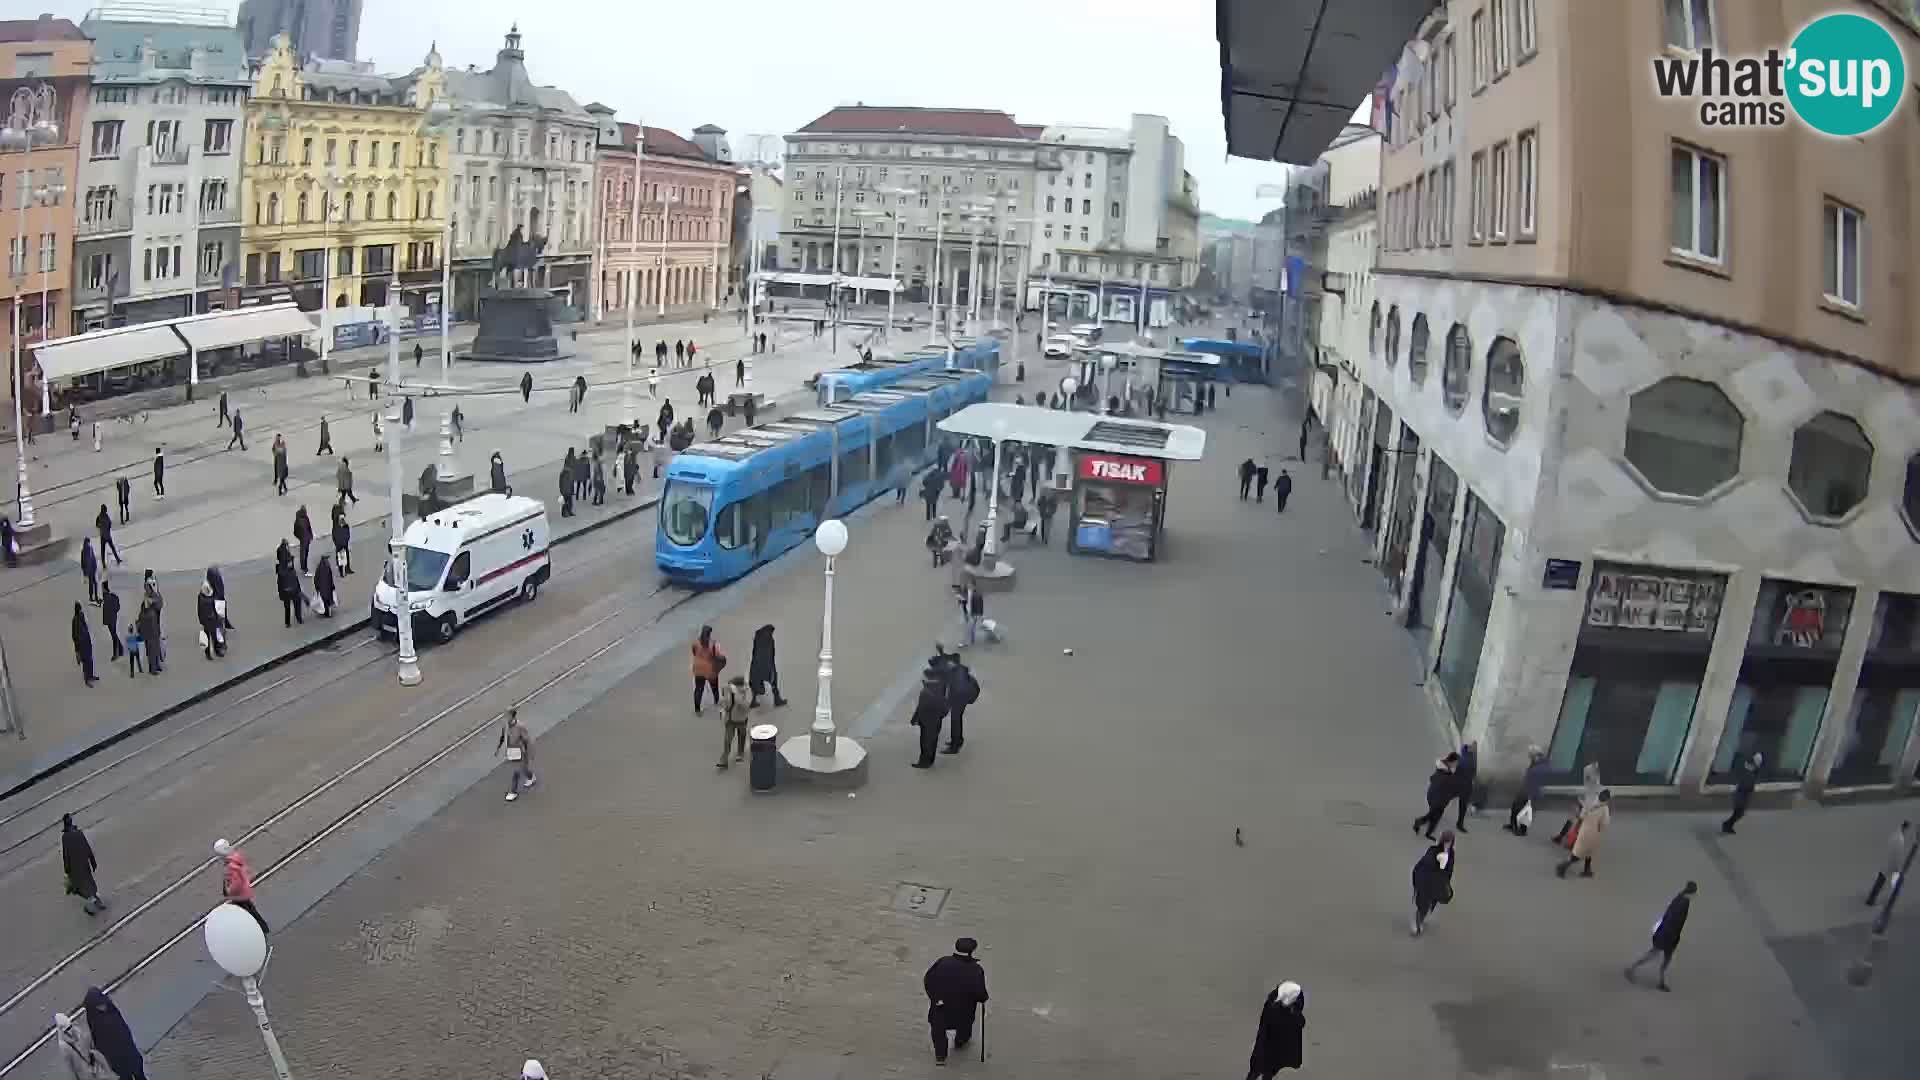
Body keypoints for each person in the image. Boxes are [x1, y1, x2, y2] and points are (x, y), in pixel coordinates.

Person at [922, 937, 989, 1065]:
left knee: (938, 1031)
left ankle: (940, 1056)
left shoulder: (942, 962)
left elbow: (928, 980)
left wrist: (935, 998)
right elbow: (979, 992)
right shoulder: (976, 969)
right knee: (964, 1027)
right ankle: (960, 1042)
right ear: (971, 951)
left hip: (940, 1007)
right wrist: (983, 998)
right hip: (964, 1010)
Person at [1625, 881, 1696, 992]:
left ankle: (1659, 980)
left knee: (1662, 956)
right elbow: (1674, 919)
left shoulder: (1680, 898)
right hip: (1668, 935)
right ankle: (1633, 969)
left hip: (1669, 934)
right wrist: (1669, 935)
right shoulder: (1683, 902)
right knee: (1656, 955)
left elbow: (1670, 916)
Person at [80, 987, 146, 1080]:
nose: (102, 1006)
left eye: (101, 1003)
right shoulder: (95, 1019)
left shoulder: (108, 1009)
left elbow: (122, 1026)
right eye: (98, 1005)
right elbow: (98, 1040)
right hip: (116, 1057)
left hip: (127, 1050)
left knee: (138, 1072)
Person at [1244, 981, 1306, 1078]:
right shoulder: (1275, 1007)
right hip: (1268, 1046)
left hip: (1272, 1048)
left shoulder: (1277, 1004)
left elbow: (1299, 1022)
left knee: (1263, 1071)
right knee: (1258, 1070)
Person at [212, 839, 268, 934]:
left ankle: (259, 928)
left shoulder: (231, 867)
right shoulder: (235, 858)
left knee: (247, 911)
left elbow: (236, 884)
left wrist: (229, 891)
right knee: (250, 909)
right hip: (244, 891)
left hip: (239, 895)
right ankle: (262, 927)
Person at [1411, 830, 1457, 936]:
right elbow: (1426, 864)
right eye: (1446, 842)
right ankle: (1417, 925)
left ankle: (1420, 921)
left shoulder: (1451, 853)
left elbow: (1449, 870)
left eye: (1449, 842)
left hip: (1437, 885)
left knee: (1427, 905)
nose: (1448, 844)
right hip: (1427, 884)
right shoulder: (1434, 851)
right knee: (1422, 906)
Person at [1557, 789, 1611, 878]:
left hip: (1584, 831)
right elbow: (1604, 824)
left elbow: (1581, 816)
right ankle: (1562, 867)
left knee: (1587, 852)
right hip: (1593, 834)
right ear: (1607, 799)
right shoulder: (1605, 809)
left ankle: (1587, 870)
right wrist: (1600, 829)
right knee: (1578, 854)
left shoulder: (1590, 802)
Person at [62, 813, 106, 916]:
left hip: (75, 868)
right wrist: (92, 861)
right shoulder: (78, 833)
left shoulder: (65, 837)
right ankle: (97, 902)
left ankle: (91, 906)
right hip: (84, 864)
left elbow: (66, 854)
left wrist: (67, 869)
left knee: (81, 888)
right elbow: (87, 847)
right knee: (89, 884)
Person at [54, 1009, 114, 1080]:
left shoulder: (78, 1031)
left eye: (70, 1027)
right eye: (66, 1030)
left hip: (94, 1072)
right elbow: (70, 1070)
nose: (70, 1031)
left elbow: (91, 1048)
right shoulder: (64, 1046)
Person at [909, 666, 950, 769]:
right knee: (933, 741)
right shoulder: (940, 688)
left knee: (925, 743)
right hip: (936, 721)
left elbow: (920, 708)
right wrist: (940, 716)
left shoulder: (925, 692)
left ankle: (924, 763)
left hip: (926, 722)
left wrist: (915, 719)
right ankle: (930, 760)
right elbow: (945, 707)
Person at [1553, 762, 1602, 845]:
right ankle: (1564, 838)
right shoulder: (1588, 768)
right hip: (1585, 798)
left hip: (1590, 801)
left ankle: (1570, 841)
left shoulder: (1593, 770)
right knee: (1573, 818)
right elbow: (1586, 784)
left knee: (1579, 820)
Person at [1412, 753, 1459, 839]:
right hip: (1437, 797)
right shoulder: (1444, 772)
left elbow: (1434, 780)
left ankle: (1428, 833)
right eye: (1456, 762)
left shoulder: (1445, 769)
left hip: (1439, 797)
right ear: (1452, 761)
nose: (1456, 764)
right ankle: (1418, 823)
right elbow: (1441, 784)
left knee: (1436, 816)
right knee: (1432, 815)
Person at [1867, 821, 1911, 906]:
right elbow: (1897, 854)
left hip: (1886, 863)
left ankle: (1871, 899)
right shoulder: (1900, 839)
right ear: (1905, 828)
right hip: (1890, 865)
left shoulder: (1894, 835)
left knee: (1880, 882)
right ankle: (1874, 900)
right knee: (1887, 883)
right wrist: (1897, 868)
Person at [1506, 747, 1548, 836]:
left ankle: (1522, 830)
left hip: (1532, 791)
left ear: (1536, 755)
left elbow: (1537, 780)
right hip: (1525, 789)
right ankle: (1513, 825)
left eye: (1531, 755)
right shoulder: (1535, 763)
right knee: (1515, 806)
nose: (1530, 757)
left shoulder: (1541, 765)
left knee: (1527, 810)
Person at [497, 708, 536, 802]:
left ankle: (513, 792)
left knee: (516, 772)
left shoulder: (520, 726)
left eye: (507, 715)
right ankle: (531, 777)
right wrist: (498, 747)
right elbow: (503, 736)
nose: (506, 717)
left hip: (521, 752)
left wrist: (529, 753)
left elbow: (527, 740)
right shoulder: (505, 725)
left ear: (513, 716)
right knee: (522, 769)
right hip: (511, 751)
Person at [944, 654, 979, 754]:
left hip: (960, 699)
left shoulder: (957, 676)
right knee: (957, 720)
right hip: (964, 697)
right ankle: (958, 740)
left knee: (955, 721)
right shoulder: (960, 669)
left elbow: (957, 690)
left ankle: (954, 747)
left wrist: (950, 702)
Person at [716, 674, 752, 768]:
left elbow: (747, 707)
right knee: (727, 739)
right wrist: (722, 705)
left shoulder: (746, 692)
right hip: (730, 719)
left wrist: (738, 697)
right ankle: (724, 759)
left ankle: (740, 753)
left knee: (742, 736)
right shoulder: (727, 690)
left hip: (741, 719)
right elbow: (723, 702)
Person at [748, 624, 788, 708]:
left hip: (755, 664)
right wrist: (771, 667)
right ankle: (777, 700)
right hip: (767, 665)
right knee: (774, 681)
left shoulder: (757, 637)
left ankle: (753, 701)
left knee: (755, 681)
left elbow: (754, 652)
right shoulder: (769, 639)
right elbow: (770, 654)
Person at [1722, 751, 1761, 834]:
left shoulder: (1752, 770)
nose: (1758, 764)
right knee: (1739, 812)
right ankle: (1727, 825)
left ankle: (1727, 825)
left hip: (1744, 794)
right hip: (1741, 794)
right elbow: (1745, 782)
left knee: (1739, 813)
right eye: (1758, 762)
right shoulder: (1748, 769)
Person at [690, 626, 725, 714]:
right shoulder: (713, 644)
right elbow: (718, 656)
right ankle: (716, 702)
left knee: (698, 689)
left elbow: (694, 652)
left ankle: (697, 710)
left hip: (698, 669)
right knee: (714, 687)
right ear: (709, 634)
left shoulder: (695, 643)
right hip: (710, 669)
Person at [1453, 740, 1480, 832]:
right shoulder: (1464, 758)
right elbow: (1458, 772)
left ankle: (1460, 823)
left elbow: (1474, 771)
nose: (1474, 748)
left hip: (1467, 785)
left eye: (1475, 747)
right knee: (1460, 803)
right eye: (1472, 747)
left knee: (1463, 805)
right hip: (1462, 784)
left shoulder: (1472, 757)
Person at [196, 583, 225, 659]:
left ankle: (217, 651)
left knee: (216, 636)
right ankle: (209, 654)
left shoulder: (212, 596)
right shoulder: (201, 597)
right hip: (207, 620)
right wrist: (201, 621)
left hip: (213, 619)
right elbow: (199, 610)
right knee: (208, 638)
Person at [276, 555, 304, 628]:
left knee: (297, 605)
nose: (291, 563)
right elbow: (280, 584)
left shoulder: (292, 570)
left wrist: (299, 590)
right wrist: (281, 595)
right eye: (290, 562)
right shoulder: (282, 573)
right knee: (287, 607)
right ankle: (287, 622)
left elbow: (296, 580)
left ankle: (299, 618)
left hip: (294, 591)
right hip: (286, 593)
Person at [100, 581, 123, 661]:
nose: (101, 589)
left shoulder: (106, 598)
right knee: (114, 634)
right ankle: (121, 649)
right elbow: (117, 608)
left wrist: (106, 620)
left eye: (102, 587)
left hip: (110, 620)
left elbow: (106, 610)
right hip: (113, 618)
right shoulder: (112, 597)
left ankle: (115, 654)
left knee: (114, 636)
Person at [313, 551, 336, 617]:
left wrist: (317, 587)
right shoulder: (327, 567)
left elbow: (316, 579)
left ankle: (328, 613)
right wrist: (332, 586)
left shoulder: (319, 567)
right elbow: (330, 578)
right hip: (327, 588)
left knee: (325, 601)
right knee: (327, 601)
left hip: (323, 589)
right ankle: (328, 612)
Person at [331, 507, 352, 576]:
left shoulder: (342, 522)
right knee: (341, 556)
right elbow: (335, 536)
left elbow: (347, 532)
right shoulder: (336, 525)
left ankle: (346, 569)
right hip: (340, 543)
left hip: (344, 542)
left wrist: (347, 539)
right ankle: (342, 571)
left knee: (345, 555)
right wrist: (338, 543)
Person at [293, 505, 314, 573]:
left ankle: (304, 566)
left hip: (304, 538)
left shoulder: (302, 518)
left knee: (304, 553)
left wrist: (309, 536)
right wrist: (310, 536)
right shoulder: (302, 519)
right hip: (305, 538)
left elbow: (308, 527)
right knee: (304, 554)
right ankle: (304, 567)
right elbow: (308, 527)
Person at [80, 538, 100, 604]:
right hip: (91, 570)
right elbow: (91, 559)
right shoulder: (89, 549)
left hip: (90, 570)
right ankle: (95, 597)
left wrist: (84, 572)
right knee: (94, 583)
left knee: (92, 584)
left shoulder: (84, 550)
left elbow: (83, 562)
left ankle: (92, 597)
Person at [558, 450, 576, 518]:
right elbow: (569, 482)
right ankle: (567, 513)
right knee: (568, 503)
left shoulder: (563, 472)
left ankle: (566, 513)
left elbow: (563, 483)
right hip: (567, 491)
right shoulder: (567, 472)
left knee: (566, 502)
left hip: (565, 491)